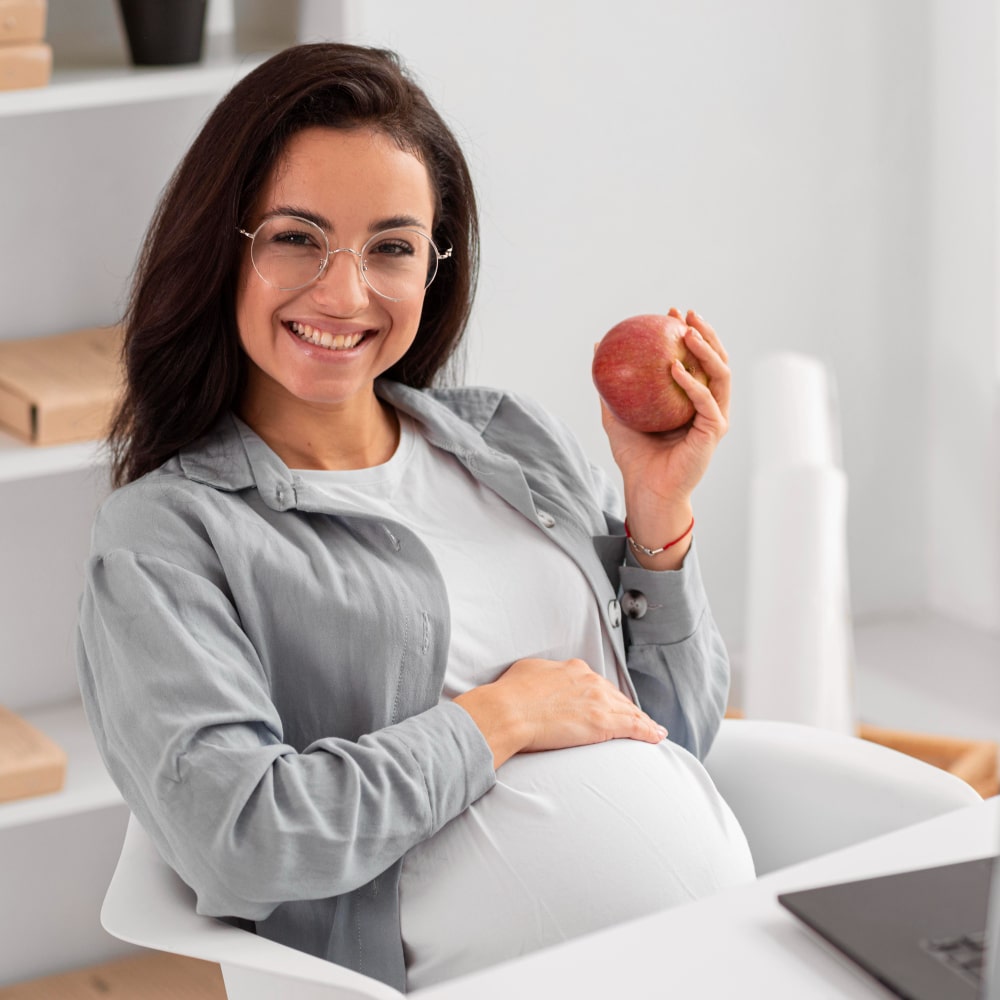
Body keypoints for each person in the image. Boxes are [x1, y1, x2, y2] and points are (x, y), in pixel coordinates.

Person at [76, 42, 754, 993]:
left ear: (433, 267)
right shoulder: (170, 536)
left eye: (390, 247)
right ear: (222, 247)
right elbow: (237, 839)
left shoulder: (516, 442)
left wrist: (658, 512)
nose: (345, 291)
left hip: (713, 961)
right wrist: (499, 719)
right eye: (296, 237)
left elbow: (676, 729)